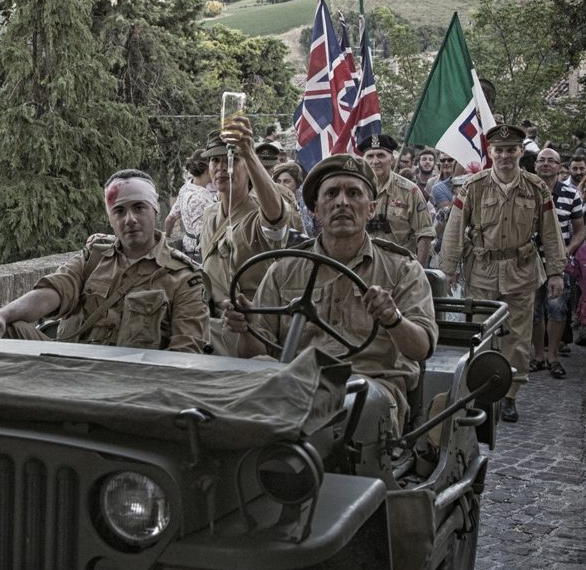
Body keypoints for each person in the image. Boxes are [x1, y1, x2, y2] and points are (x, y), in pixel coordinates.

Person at [224, 153, 437, 435]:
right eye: (332, 194)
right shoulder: (285, 268)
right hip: (295, 381)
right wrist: (245, 327)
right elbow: (253, 352)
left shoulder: (402, 270)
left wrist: (392, 318)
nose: (342, 202)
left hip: (370, 387)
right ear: (315, 209)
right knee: (234, 397)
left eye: (353, 193)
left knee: (337, 412)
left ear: (371, 208)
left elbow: (421, 348)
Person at [0, 170, 210, 352]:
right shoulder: (94, 257)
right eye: (119, 211)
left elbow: (186, 350)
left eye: (139, 208)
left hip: (131, 381)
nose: (130, 219)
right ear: (110, 218)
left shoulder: (183, 276)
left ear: (155, 210)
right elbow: (53, 292)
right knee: (7, 330)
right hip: (70, 365)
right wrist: (0, 316)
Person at [439, 124, 566, 423]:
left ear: (521, 152)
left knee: (517, 338)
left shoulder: (536, 187)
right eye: (500, 150)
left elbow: (551, 232)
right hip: (482, 270)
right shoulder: (474, 186)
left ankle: (509, 395)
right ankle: (481, 392)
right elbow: (454, 230)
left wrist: (556, 271)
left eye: (511, 150)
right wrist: (448, 269)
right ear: (490, 152)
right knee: (481, 334)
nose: (505, 155)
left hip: (521, 272)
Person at [198, 117, 293, 351]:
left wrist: (249, 153)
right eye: (214, 161)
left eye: (231, 159)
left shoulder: (257, 213)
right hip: (211, 320)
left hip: (252, 325)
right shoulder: (209, 213)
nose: (221, 167)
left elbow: (276, 218)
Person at [529, 149, 584, 377]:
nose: (545, 164)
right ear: (535, 165)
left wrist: (568, 251)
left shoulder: (571, 194)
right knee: (533, 311)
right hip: (530, 262)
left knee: (557, 309)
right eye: (541, 160)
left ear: (560, 167)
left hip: (558, 263)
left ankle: (553, 357)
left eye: (551, 161)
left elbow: (581, 230)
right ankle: (538, 356)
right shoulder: (526, 191)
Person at [358, 133, 435, 267]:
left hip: (399, 268)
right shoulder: (354, 191)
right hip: (363, 267)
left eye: (381, 155)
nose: (375, 161)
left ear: (392, 160)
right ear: (363, 160)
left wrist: (421, 271)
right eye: (370, 156)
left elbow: (424, 233)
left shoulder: (410, 191)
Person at [164, 150, 215, 261]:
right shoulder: (200, 199)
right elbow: (203, 235)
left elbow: (170, 218)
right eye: (214, 163)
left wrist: (167, 235)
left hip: (187, 250)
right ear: (207, 169)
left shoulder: (186, 188)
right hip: (200, 255)